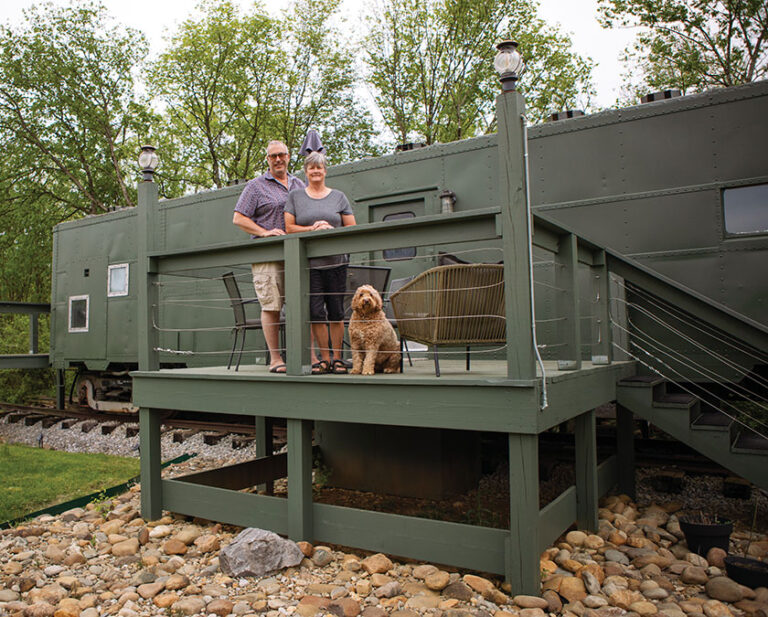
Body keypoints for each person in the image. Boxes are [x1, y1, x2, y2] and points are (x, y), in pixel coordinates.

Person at [232, 140, 305, 373]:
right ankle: (276, 359)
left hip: (296, 254)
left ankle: (306, 356)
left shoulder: (299, 184)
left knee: (303, 303)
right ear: (267, 159)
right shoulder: (255, 186)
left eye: (281, 155)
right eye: (272, 156)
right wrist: (264, 233)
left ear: (288, 156)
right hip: (267, 255)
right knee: (271, 304)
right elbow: (239, 218)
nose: (277, 159)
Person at [284, 151, 356, 374]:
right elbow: (289, 228)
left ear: (325, 171)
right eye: (311, 168)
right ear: (306, 172)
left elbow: (352, 227)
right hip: (309, 266)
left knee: (336, 311)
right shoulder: (295, 196)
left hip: (336, 263)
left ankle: (337, 359)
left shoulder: (339, 197)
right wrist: (312, 228)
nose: (316, 171)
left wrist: (331, 229)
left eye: (319, 167)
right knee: (316, 312)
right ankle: (323, 359)